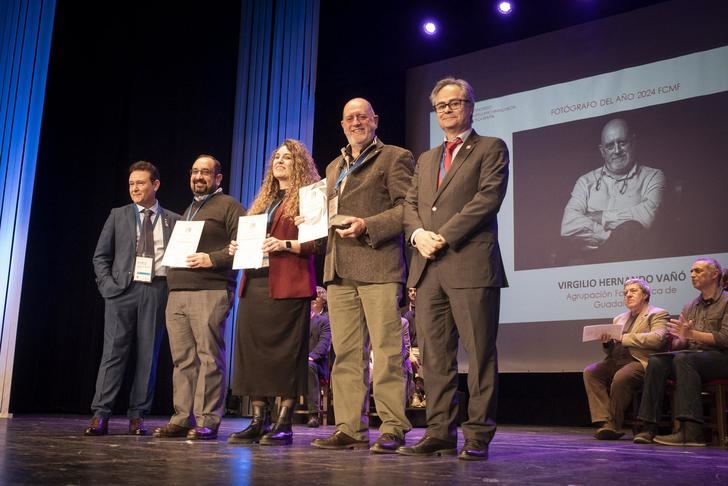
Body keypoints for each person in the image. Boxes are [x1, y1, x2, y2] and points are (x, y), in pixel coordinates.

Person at [400, 77, 509, 461]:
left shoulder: (491, 148)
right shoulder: (427, 158)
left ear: (470, 106)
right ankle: (440, 432)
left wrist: (440, 236)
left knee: (480, 356)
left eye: (454, 103)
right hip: (428, 269)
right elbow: (410, 205)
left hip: (470, 264)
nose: (447, 110)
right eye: (441, 105)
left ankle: (477, 435)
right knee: (434, 358)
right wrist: (417, 236)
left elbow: (486, 201)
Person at [310, 98, 415, 454]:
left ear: (375, 120)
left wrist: (367, 225)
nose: (356, 122)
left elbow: (407, 209)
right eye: (349, 118)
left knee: (386, 353)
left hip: (378, 264)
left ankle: (393, 426)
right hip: (338, 270)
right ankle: (350, 428)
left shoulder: (394, 157)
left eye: (362, 116)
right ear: (341, 125)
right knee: (347, 354)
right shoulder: (333, 166)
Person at [227, 140, 322, 446]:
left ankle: (284, 422)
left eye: (287, 157)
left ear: (299, 164)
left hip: (289, 283)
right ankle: (257, 419)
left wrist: (284, 245)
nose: (280, 161)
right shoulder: (263, 201)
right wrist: (238, 247)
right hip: (255, 282)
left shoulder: (309, 197)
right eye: (277, 157)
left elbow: (316, 243)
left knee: (285, 355)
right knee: (254, 353)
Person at [153, 155, 245, 440]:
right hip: (178, 291)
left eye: (205, 172)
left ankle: (208, 419)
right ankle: (182, 417)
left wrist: (212, 259)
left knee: (208, 357)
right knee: (183, 359)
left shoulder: (229, 205)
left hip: (211, 289)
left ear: (218, 178)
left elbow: (244, 246)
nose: (198, 176)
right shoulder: (190, 209)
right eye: (194, 172)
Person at [86, 161, 181, 436]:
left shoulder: (174, 220)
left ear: (156, 185)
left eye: (140, 183)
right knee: (113, 354)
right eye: (131, 184)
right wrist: (107, 287)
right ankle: (100, 414)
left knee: (148, 356)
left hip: (156, 291)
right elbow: (100, 256)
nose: (135, 188)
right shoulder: (118, 215)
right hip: (122, 292)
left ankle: (138, 415)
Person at [635, 257, 728, 446]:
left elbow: (725, 339)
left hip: (722, 357)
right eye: (692, 271)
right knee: (657, 361)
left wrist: (692, 334)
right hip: (694, 357)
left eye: (699, 271)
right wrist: (681, 339)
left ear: (715, 274)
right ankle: (649, 427)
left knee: (684, 360)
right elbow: (681, 344)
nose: (693, 275)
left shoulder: (726, 301)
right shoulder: (690, 306)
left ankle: (691, 431)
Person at [560, 118, 665, 263]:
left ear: (633, 142)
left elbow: (648, 217)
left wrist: (601, 217)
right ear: (602, 151)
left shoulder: (653, 176)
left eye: (622, 143)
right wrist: (611, 237)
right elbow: (568, 225)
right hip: (589, 264)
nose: (617, 151)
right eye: (610, 146)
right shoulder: (585, 181)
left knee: (631, 229)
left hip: (634, 262)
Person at [583, 278, 668, 440]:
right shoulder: (619, 318)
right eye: (625, 293)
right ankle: (603, 420)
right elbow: (612, 350)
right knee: (591, 372)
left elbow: (657, 339)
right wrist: (607, 343)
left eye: (633, 291)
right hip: (616, 359)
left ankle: (613, 424)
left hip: (639, 361)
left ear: (645, 295)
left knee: (622, 376)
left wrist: (625, 337)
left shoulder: (657, 313)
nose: (628, 295)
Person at [307, 286, 332, 428]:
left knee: (308, 367)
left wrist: (311, 356)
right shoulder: (299, 320)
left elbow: (324, 344)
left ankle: (313, 414)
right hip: (297, 361)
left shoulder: (323, 321)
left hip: (316, 363)